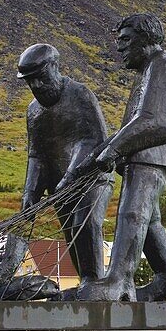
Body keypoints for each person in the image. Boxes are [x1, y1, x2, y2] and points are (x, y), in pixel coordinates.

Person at [74, 14, 166, 302]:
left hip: (151, 158)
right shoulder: (150, 70)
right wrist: (105, 151)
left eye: (126, 40)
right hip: (144, 156)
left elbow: (159, 121)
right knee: (149, 221)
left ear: (147, 38)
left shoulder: (162, 67)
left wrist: (114, 149)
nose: (120, 48)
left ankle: (120, 281)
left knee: (132, 213)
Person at [17, 43, 112, 287]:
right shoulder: (33, 111)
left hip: (91, 179)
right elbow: (36, 155)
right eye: (30, 82)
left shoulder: (80, 94)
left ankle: (93, 280)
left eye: (40, 78)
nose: (36, 86)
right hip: (60, 188)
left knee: (85, 222)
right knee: (71, 233)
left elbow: (93, 140)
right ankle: (86, 283)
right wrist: (31, 192)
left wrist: (70, 176)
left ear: (54, 67)